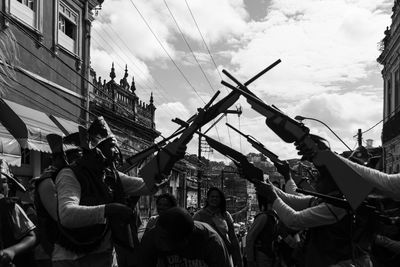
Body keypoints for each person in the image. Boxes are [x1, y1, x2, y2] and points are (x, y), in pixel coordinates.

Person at [51, 116, 186, 267]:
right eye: (111, 146)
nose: (116, 152)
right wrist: (109, 209)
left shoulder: (110, 174)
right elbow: (67, 215)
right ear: (96, 151)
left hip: (105, 254)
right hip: (73, 259)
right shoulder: (69, 174)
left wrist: (170, 159)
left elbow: (147, 186)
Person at [252, 155, 374, 267]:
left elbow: (294, 220)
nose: (316, 179)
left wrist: (272, 196)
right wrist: (268, 182)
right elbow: (293, 199)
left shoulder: (339, 205)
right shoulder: (328, 199)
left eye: (322, 177)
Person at [137, 207, 231, 267]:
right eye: (160, 236)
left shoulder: (211, 242)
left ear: (185, 241)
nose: (160, 243)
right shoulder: (152, 237)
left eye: (165, 239)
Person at [193, 187, 243, 267]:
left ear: (221, 199)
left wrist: (239, 259)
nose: (214, 199)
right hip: (206, 256)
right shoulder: (199, 215)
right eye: (212, 196)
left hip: (224, 254)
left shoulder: (225, 215)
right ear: (208, 199)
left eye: (217, 197)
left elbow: (233, 238)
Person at [0, 159, 37, 267]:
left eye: (3, 181)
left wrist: (11, 251)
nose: (1, 185)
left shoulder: (10, 207)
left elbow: (31, 237)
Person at [245, 193, 279, 267]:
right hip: (262, 256)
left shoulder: (274, 217)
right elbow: (250, 238)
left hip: (270, 256)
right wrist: (250, 260)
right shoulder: (263, 217)